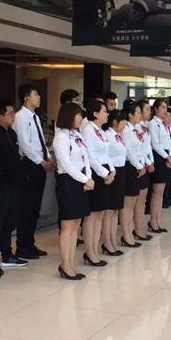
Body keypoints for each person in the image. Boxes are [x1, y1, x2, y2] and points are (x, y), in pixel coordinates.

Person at [0, 100, 28, 270]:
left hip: (14, 184)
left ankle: (7, 253)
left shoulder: (11, 133)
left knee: (10, 221)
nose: (13, 116)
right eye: (9, 113)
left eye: (13, 112)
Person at [53, 103, 94, 280]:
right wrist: (85, 179)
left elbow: (86, 158)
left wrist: (88, 177)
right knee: (67, 226)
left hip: (82, 181)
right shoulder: (61, 137)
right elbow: (66, 164)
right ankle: (65, 265)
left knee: (76, 224)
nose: (81, 118)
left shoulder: (77, 134)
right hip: (69, 182)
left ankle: (70, 263)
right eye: (78, 115)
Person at [13, 84, 53, 260]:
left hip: (39, 164)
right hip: (29, 165)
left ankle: (30, 243)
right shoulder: (21, 117)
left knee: (35, 208)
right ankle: (22, 246)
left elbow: (39, 140)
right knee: (27, 208)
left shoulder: (35, 116)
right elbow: (24, 144)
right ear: (26, 98)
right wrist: (40, 161)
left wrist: (48, 156)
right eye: (36, 94)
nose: (39, 97)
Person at [83, 100, 116, 267]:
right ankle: (90, 251)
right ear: (95, 113)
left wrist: (112, 170)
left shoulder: (100, 131)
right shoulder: (88, 130)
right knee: (92, 215)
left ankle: (95, 249)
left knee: (100, 214)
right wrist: (104, 173)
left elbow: (106, 153)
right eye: (104, 111)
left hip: (105, 172)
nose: (107, 114)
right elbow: (90, 155)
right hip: (96, 173)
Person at [120, 100, 147, 247]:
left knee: (134, 202)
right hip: (131, 166)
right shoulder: (126, 129)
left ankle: (130, 232)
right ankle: (126, 234)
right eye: (138, 112)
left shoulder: (135, 129)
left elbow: (140, 148)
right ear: (130, 115)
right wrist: (139, 166)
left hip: (138, 166)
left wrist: (142, 164)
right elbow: (129, 151)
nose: (140, 115)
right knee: (128, 203)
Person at [102, 110, 127, 256]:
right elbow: (106, 155)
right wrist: (112, 172)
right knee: (109, 210)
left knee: (116, 209)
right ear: (115, 122)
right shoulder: (108, 135)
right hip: (112, 171)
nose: (124, 124)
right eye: (122, 121)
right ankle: (107, 242)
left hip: (121, 170)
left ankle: (112, 241)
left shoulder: (118, 135)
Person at [148, 99, 171, 233]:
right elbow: (155, 143)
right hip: (160, 157)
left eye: (166, 107)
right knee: (157, 191)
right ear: (156, 109)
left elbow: (170, 141)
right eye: (162, 107)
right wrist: (167, 157)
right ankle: (153, 221)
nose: (165, 110)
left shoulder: (165, 124)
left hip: (167, 157)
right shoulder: (153, 124)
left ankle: (157, 220)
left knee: (161, 192)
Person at [134, 100, 155, 241]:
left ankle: (140, 227)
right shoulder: (136, 128)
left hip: (146, 164)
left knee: (142, 200)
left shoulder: (144, 126)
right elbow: (139, 149)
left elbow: (148, 147)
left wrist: (150, 161)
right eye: (146, 109)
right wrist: (147, 163)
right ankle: (137, 229)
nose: (149, 112)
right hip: (140, 165)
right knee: (138, 200)